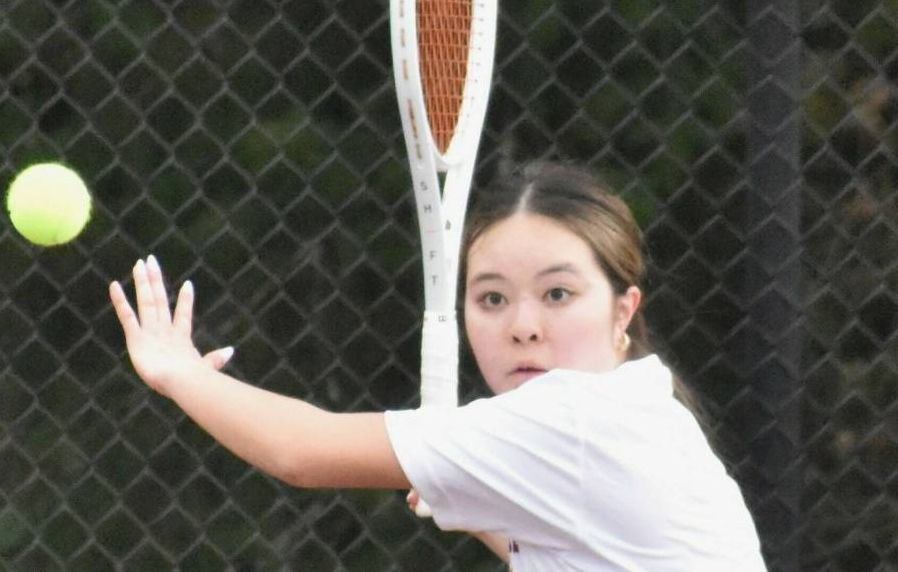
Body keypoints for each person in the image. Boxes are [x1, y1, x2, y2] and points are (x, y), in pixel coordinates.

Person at [109, 161, 767, 571]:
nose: (523, 325)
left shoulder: (575, 417)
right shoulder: (646, 411)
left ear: (625, 312)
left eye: (558, 294)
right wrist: (467, 490)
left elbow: (299, 453)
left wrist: (178, 371)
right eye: (491, 299)